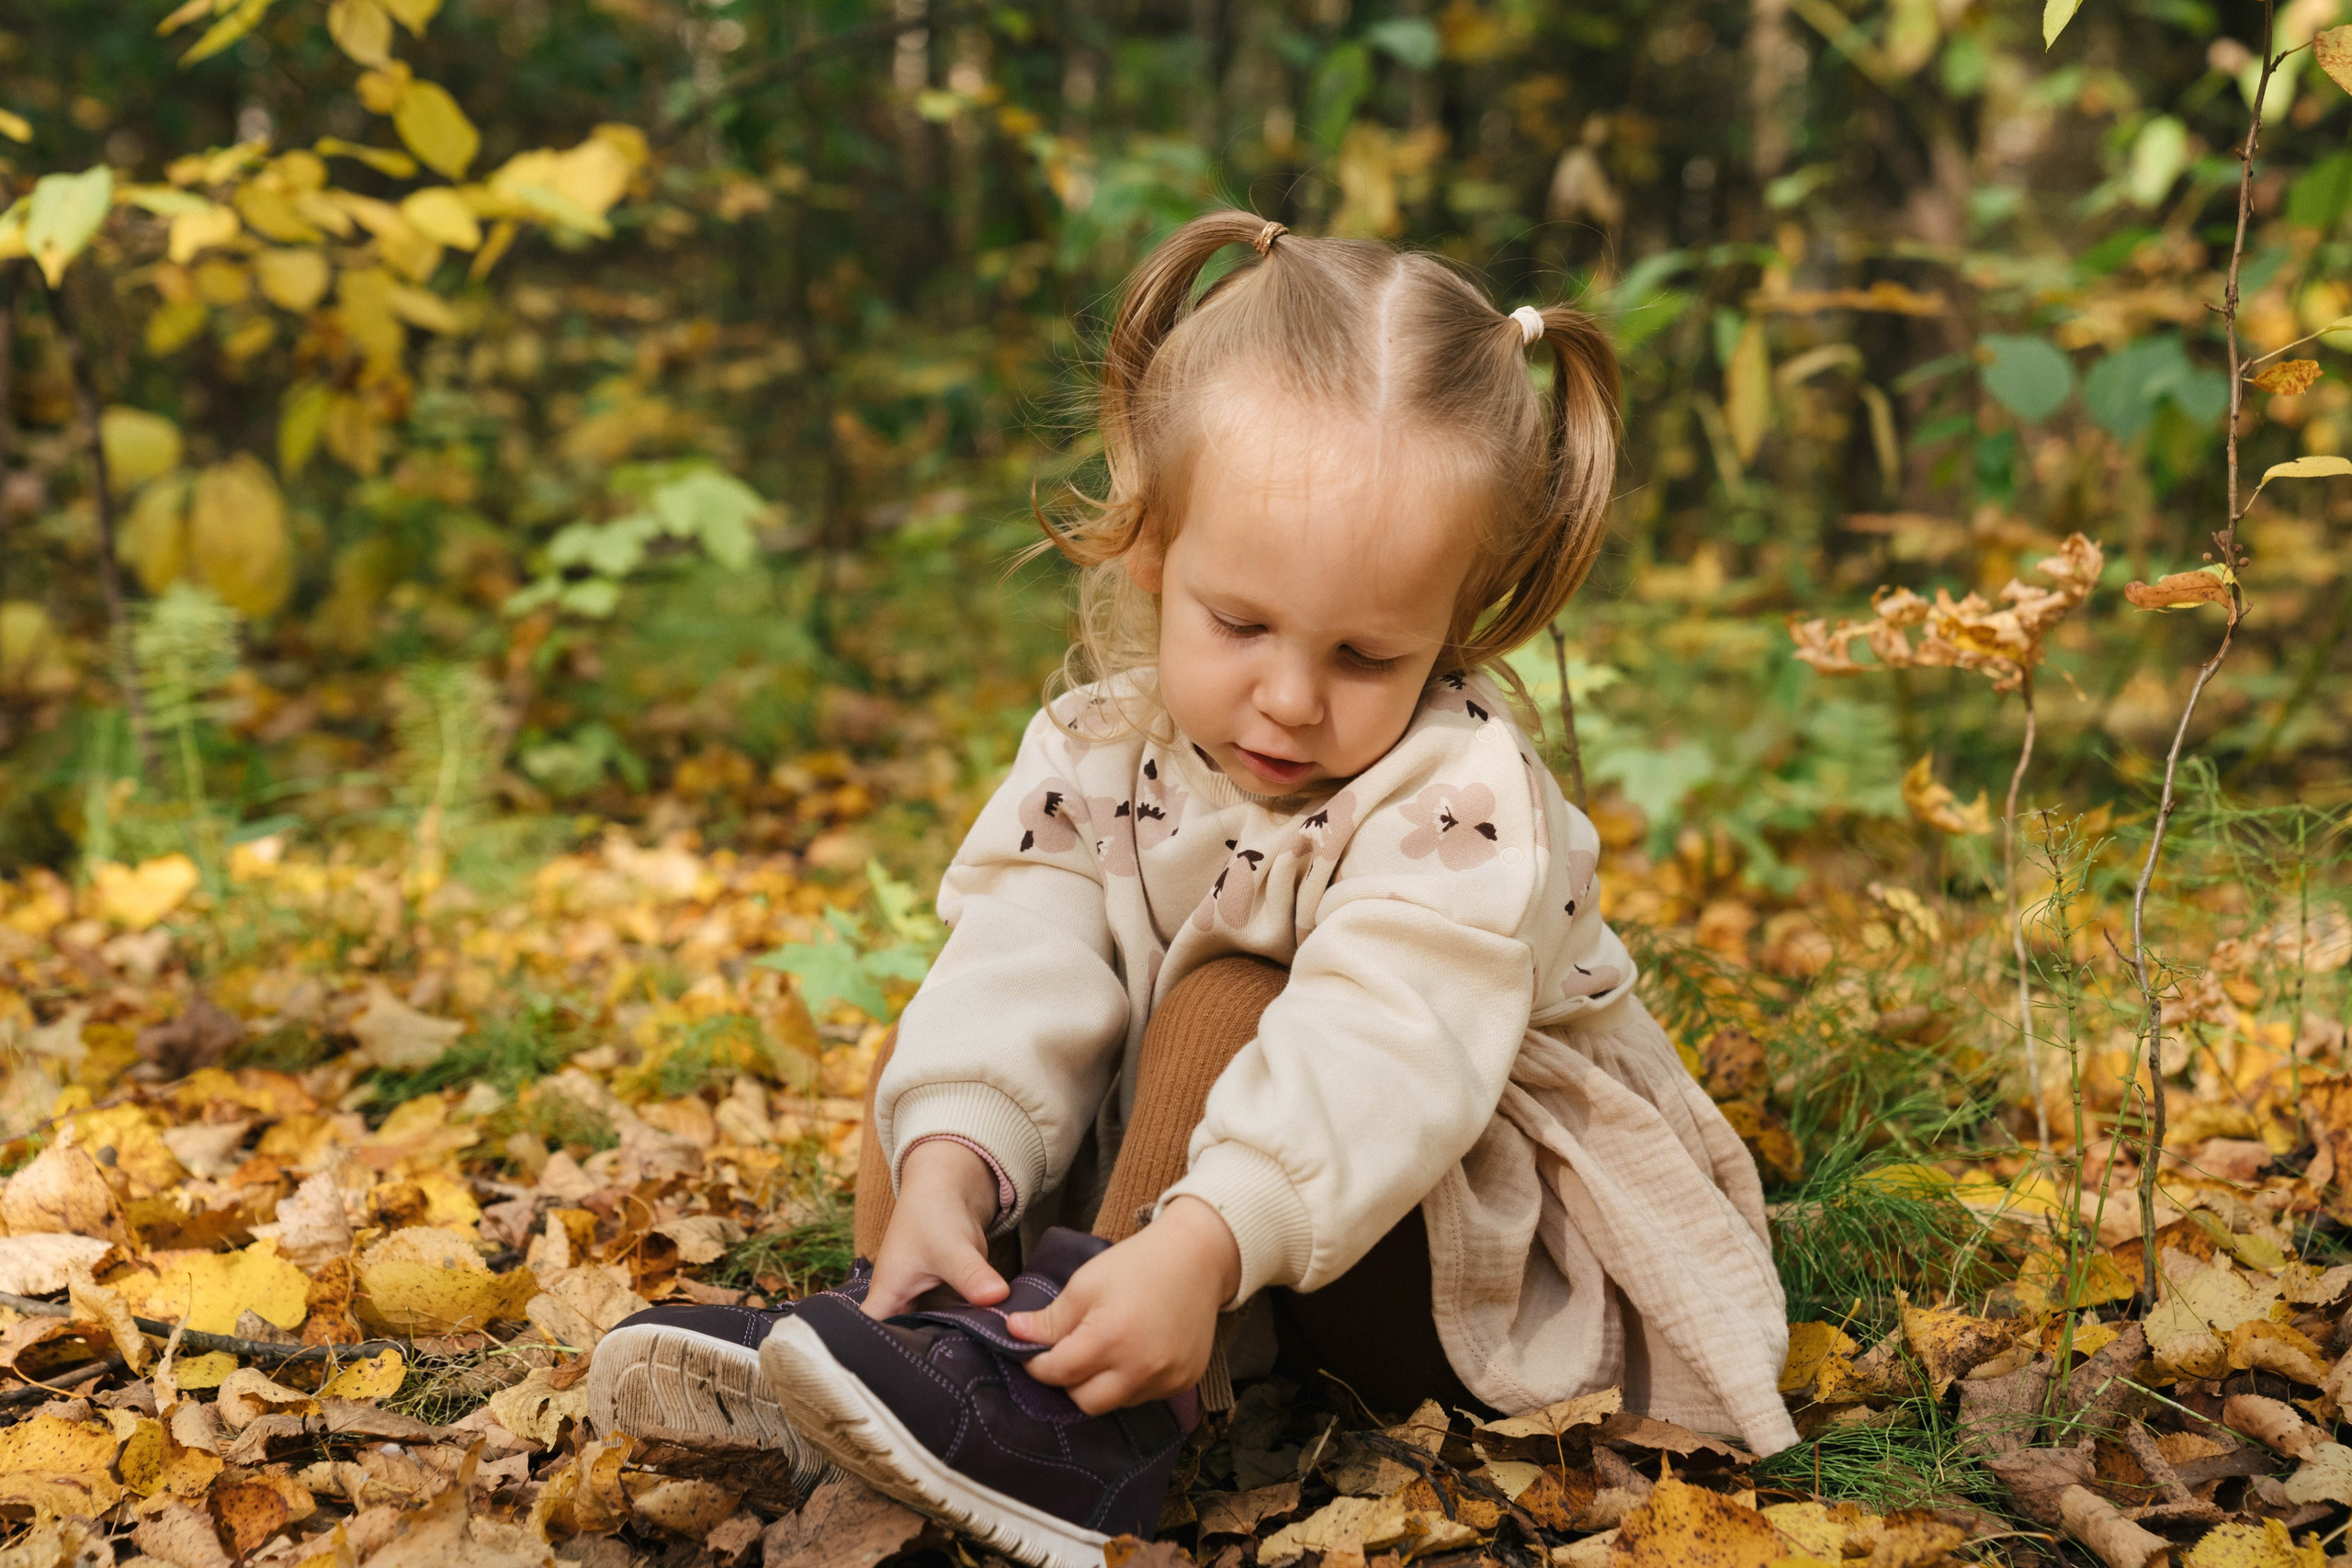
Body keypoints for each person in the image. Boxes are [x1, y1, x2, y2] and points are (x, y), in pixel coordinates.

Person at [586, 210, 1795, 1568]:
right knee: (952, 1052)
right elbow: (1022, 956)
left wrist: (1208, 1243)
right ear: (1153, 554)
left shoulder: (1458, 790)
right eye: (1241, 626)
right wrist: (948, 1156)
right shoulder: (1102, 749)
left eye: (1365, 655)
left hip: (1451, 1229)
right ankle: (914, 1329)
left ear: (1449, 632)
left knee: (1229, 986)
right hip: (1217, 1204)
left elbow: (1384, 1047)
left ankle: (1069, 1427)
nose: (1291, 698)